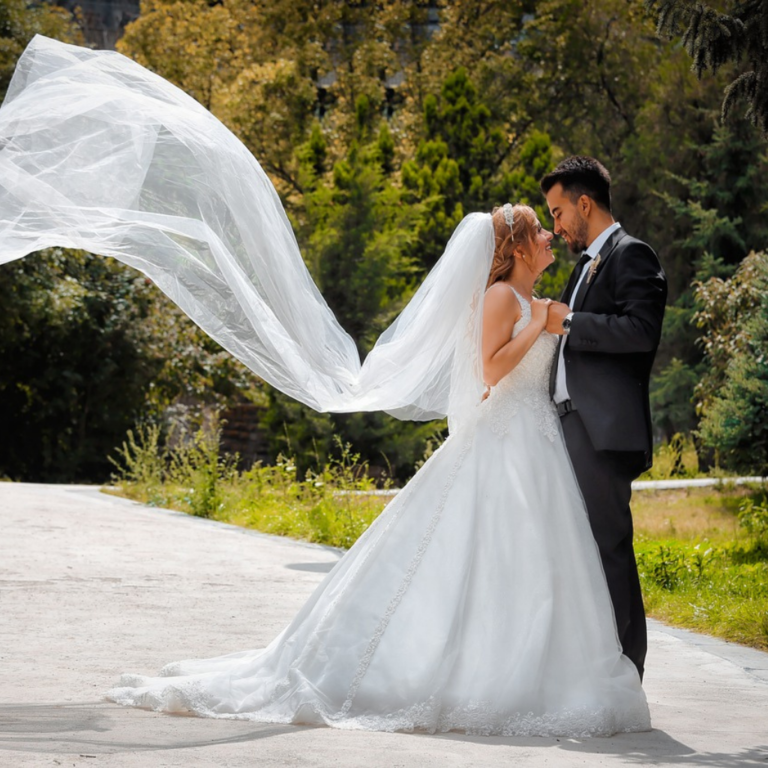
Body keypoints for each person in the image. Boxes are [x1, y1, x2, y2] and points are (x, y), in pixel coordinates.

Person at [0, 37, 651, 736]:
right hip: (508, 438)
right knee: (479, 559)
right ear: (517, 246)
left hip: (537, 442)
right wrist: (545, 324)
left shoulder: (541, 295)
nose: (552, 234)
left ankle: (550, 669)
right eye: (541, 230)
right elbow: (492, 374)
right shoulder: (503, 302)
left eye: (554, 222)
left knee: (540, 568)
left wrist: (553, 320)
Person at [540, 157, 668, 680]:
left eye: (557, 212)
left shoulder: (631, 255)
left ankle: (626, 676)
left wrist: (569, 320)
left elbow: (640, 332)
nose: (556, 226)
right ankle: (592, 671)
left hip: (602, 432)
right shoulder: (581, 267)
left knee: (609, 549)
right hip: (568, 428)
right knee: (579, 553)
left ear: (584, 204)